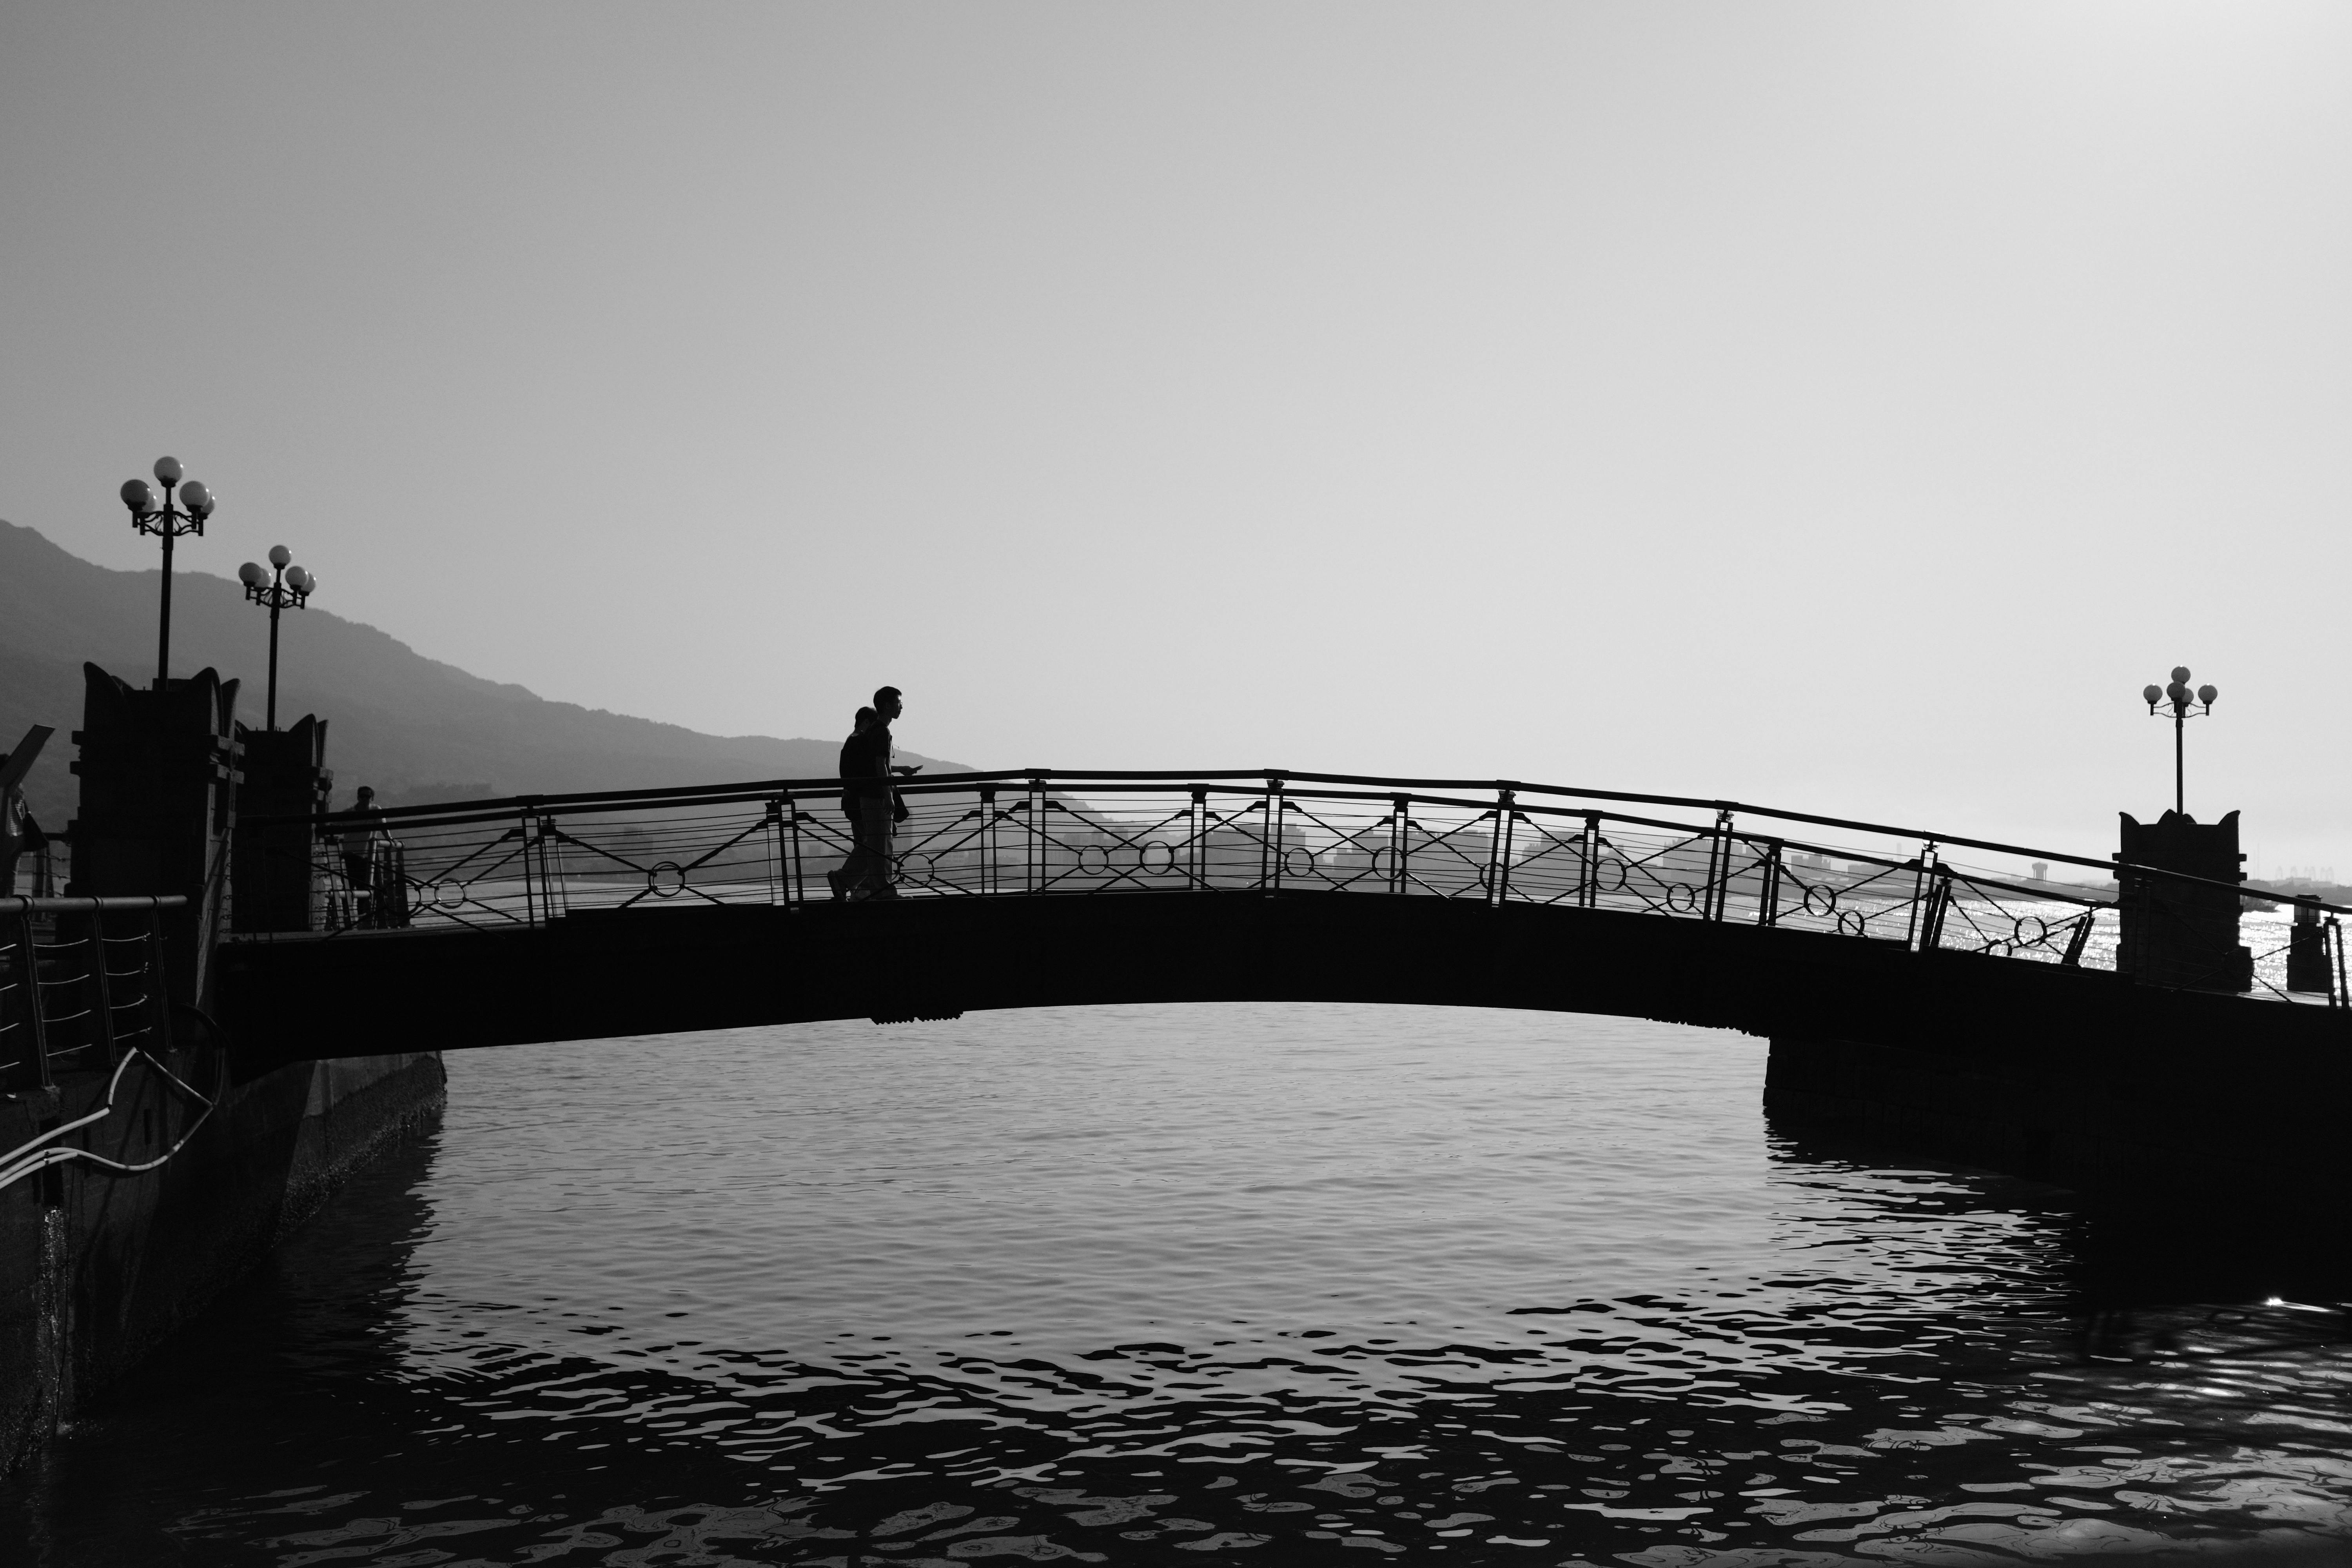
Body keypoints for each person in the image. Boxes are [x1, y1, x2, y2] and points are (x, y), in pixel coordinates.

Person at [837, 686, 916, 900]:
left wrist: (898, 772)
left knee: (877, 844)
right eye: (899, 703)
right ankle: (882, 891)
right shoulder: (882, 731)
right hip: (876, 797)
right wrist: (889, 795)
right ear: (888, 705)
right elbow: (880, 765)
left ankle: (846, 882)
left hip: (870, 795)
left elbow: (879, 764)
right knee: (881, 846)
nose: (902, 707)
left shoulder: (873, 731)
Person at [825, 707, 877, 899]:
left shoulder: (851, 742)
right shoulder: (860, 742)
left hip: (851, 802)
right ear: (866, 723)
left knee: (865, 844)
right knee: (874, 843)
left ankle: (858, 889)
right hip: (860, 801)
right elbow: (872, 766)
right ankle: (845, 880)